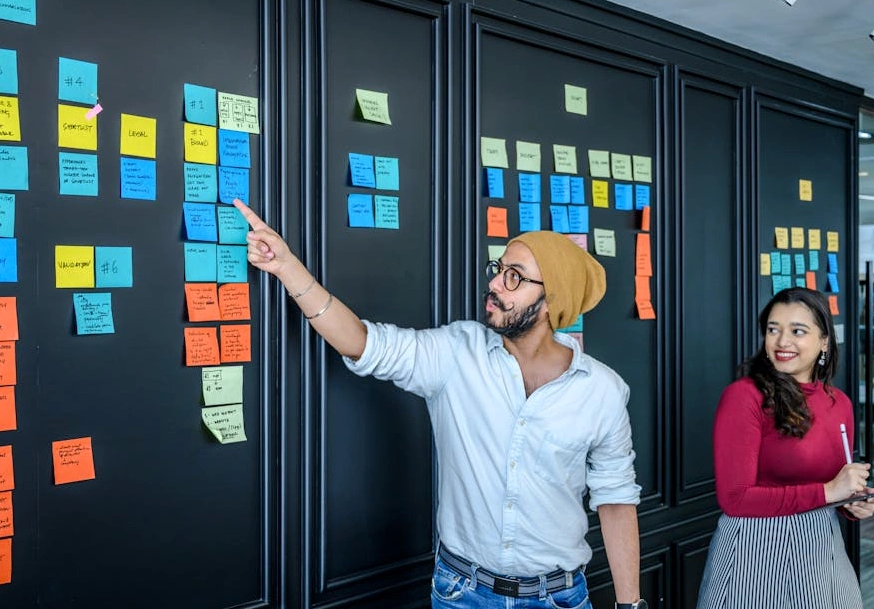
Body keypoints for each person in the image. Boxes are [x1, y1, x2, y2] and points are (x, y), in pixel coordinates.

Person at [232, 199, 646, 609]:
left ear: (553, 301)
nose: (496, 284)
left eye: (515, 278)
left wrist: (631, 605)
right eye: (498, 270)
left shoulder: (603, 391)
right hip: (461, 593)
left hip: (558, 598)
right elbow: (363, 342)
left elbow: (616, 500)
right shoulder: (457, 352)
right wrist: (287, 267)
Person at [697, 287, 874, 609]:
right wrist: (830, 492)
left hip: (822, 547)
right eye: (773, 329)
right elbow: (734, 499)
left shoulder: (839, 403)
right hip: (754, 551)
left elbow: (834, 486)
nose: (782, 341)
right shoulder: (744, 397)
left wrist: (853, 502)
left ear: (824, 340)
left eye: (798, 331)